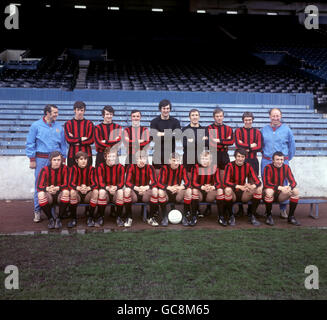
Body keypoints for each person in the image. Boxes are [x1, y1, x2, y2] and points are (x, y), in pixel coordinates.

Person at [26, 104, 67, 223]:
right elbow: (30, 143)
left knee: (55, 184)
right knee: (39, 184)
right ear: (47, 113)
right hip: (41, 159)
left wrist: (63, 158)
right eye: (54, 113)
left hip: (56, 159)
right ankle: (37, 210)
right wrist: (32, 159)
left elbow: (63, 145)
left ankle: (52, 211)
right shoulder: (36, 125)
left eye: (57, 112)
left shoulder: (59, 127)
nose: (56, 115)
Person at [261, 108, 296, 219]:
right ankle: (268, 210)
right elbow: (260, 145)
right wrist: (266, 155)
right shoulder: (263, 130)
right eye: (273, 115)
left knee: (284, 184)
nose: (275, 118)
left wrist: (286, 159)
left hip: (282, 161)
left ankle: (283, 209)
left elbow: (292, 146)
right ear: (269, 116)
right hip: (267, 161)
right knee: (267, 184)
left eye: (277, 115)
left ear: (280, 116)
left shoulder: (287, 130)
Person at [223, 149, 262, 226]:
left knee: (259, 189)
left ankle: (252, 215)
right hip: (233, 192)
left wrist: (251, 186)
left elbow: (258, 181)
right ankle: (231, 216)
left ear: (245, 157)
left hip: (244, 193)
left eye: (242, 157)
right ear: (235, 157)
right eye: (238, 156)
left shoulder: (248, 165)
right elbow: (225, 181)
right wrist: (238, 186)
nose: (240, 158)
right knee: (227, 190)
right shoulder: (229, 165)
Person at [235, 111, 263, 216]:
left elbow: (259, 147)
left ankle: (251, 210)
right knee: (240, 182)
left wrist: (245, 146)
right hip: (241, 160)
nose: (248, 122)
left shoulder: (257, 132)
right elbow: (238, 145)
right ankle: (240, 208)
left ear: (252, 120)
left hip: (253, 160)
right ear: (243, 120)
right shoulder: (238, 131)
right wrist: (251, 145)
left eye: (250, 120)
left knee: (253, 183)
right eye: (246, 120)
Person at [263, 151, 300, 226]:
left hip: (280, 195)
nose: (280, 162)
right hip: (267, 193)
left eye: (281, 159)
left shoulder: (286, 167)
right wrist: (280, 187)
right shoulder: (268, 167)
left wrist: (290, 187)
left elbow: (293, 182)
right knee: (269, 191)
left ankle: (291, 217)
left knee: (295, 191)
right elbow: (267, 183)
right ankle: (269, 216)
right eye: (277, 159)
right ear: (273, 160)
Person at [124, 150, 159, 227]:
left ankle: (151, 217)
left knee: (155, 190)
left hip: (145, 192)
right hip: (134, 192)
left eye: (143, 159)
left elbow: (155, 182)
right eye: (139, 159)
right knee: (126, 190)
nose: (142, 161)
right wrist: (137, 188)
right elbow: (127, 182)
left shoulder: (150, 167)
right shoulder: (131, 166)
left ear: (146, 159)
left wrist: (146, 187)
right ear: (136, 159)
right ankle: (129, 217)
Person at [157, 152, 192, 227]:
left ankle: (185, 217)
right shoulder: (164, 168)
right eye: (174, 160)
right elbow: (159, 183)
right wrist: (169, 187)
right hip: (167, 193)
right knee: (160, 191)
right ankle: (164, 217)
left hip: (177, 193)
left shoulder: (182, 168)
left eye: (178, 160)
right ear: (169, 161)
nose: (176, 163)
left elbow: (188, 182)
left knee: (189, 191)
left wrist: (180, 187)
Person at [36, 151, 70, 229]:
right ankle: (50, 219)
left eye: (58, 160)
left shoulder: (65, 168)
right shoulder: (44, 170)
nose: (57, 162)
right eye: (54, 160)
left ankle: (59, 219)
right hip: (49, 194)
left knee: (66, 192)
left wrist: (57, 188)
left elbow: (67, 184)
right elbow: (39, 186)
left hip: (59, 194)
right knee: (40, 194)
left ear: (61, 160)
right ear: (50, 160)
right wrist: (47, 188)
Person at [190, 150, 225, 226]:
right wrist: (201, 187)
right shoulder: (196, 167)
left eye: (206, 159)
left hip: (210, 192)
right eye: (202, 159)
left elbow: (218, 182)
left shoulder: (215, 167)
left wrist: (213, 186)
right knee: (194, 190)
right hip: (200, 192)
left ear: (211, 160)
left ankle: (221, 216)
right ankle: (193, 217)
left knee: (220, 190)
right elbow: (193, 182)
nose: (204, 161)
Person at [68, 151, 99, 228]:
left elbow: (95, 183)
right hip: (78, 194)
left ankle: (90, 218)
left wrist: (88, 188)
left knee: (95, 191)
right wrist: (78, 188)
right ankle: (73, 219)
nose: (84, 161)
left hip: (87, 194)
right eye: (81, 159)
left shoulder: (92, 169)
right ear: (76, 160)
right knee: (72, 192)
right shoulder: (73, 169)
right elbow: (70, 183)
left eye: (85, 159)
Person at [96, 147, 125, 227]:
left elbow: (122, 182)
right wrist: (108, 188)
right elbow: (100, 182)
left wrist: (116, 187)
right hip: (106, 191)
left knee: (121, 192)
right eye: (109, 156)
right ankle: (101, 217)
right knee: (101, 192)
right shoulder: (100, 167)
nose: (111, 158)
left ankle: (118, 217)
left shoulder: (120, 167)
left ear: (116, 157)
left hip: (115, 191)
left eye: (113, 156)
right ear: (105, 157)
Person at [150, 99, 181, 172]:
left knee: (170, 181)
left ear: (170, 109)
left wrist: (161, 134)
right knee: (157, 180)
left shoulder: (175, 122)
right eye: (164, 108)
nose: (166, 110)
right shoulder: (154, 121)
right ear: (160, 109)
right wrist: (171, 134)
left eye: (168, 108)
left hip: (171, 154)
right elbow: (154, 137)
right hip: (158, 153)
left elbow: (178, 136)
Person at [207, 107, 234, 182]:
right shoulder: (209, 128)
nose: (219, 118)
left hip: (224, 155)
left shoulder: (228, 129)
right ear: (214, 117)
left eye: (221, 116)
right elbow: (210, 143)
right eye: (217, 116)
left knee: (224, 177)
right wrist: (225, 142)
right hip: (213, 154)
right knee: (213, 178)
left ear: (223, 117)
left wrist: (218, 140)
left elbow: (231, 142)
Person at [64, 101, 94, 167]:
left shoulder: (89, 124)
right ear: (74, 110)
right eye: (78, 110)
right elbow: (68, 140)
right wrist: (81, 139)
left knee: (86, 176)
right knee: (72, 176)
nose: (80, 112)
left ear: (84, 111)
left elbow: (91, 140)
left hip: (87, 155)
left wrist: (75, 140)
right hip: (72, 155)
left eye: (82, 110)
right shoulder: (68, 124)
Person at [182, 109, 208, 173]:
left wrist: (192, 140)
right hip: (188, 158)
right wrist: (200, 139)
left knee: (199, 182)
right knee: (188, 181)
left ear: (199, 117)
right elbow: (185, 144)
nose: (195, 117)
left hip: (200, 159)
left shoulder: (204, 130)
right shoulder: (184, 130)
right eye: (193, 115)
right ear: (189, 117)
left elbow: (206, 144)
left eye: (196, 115)